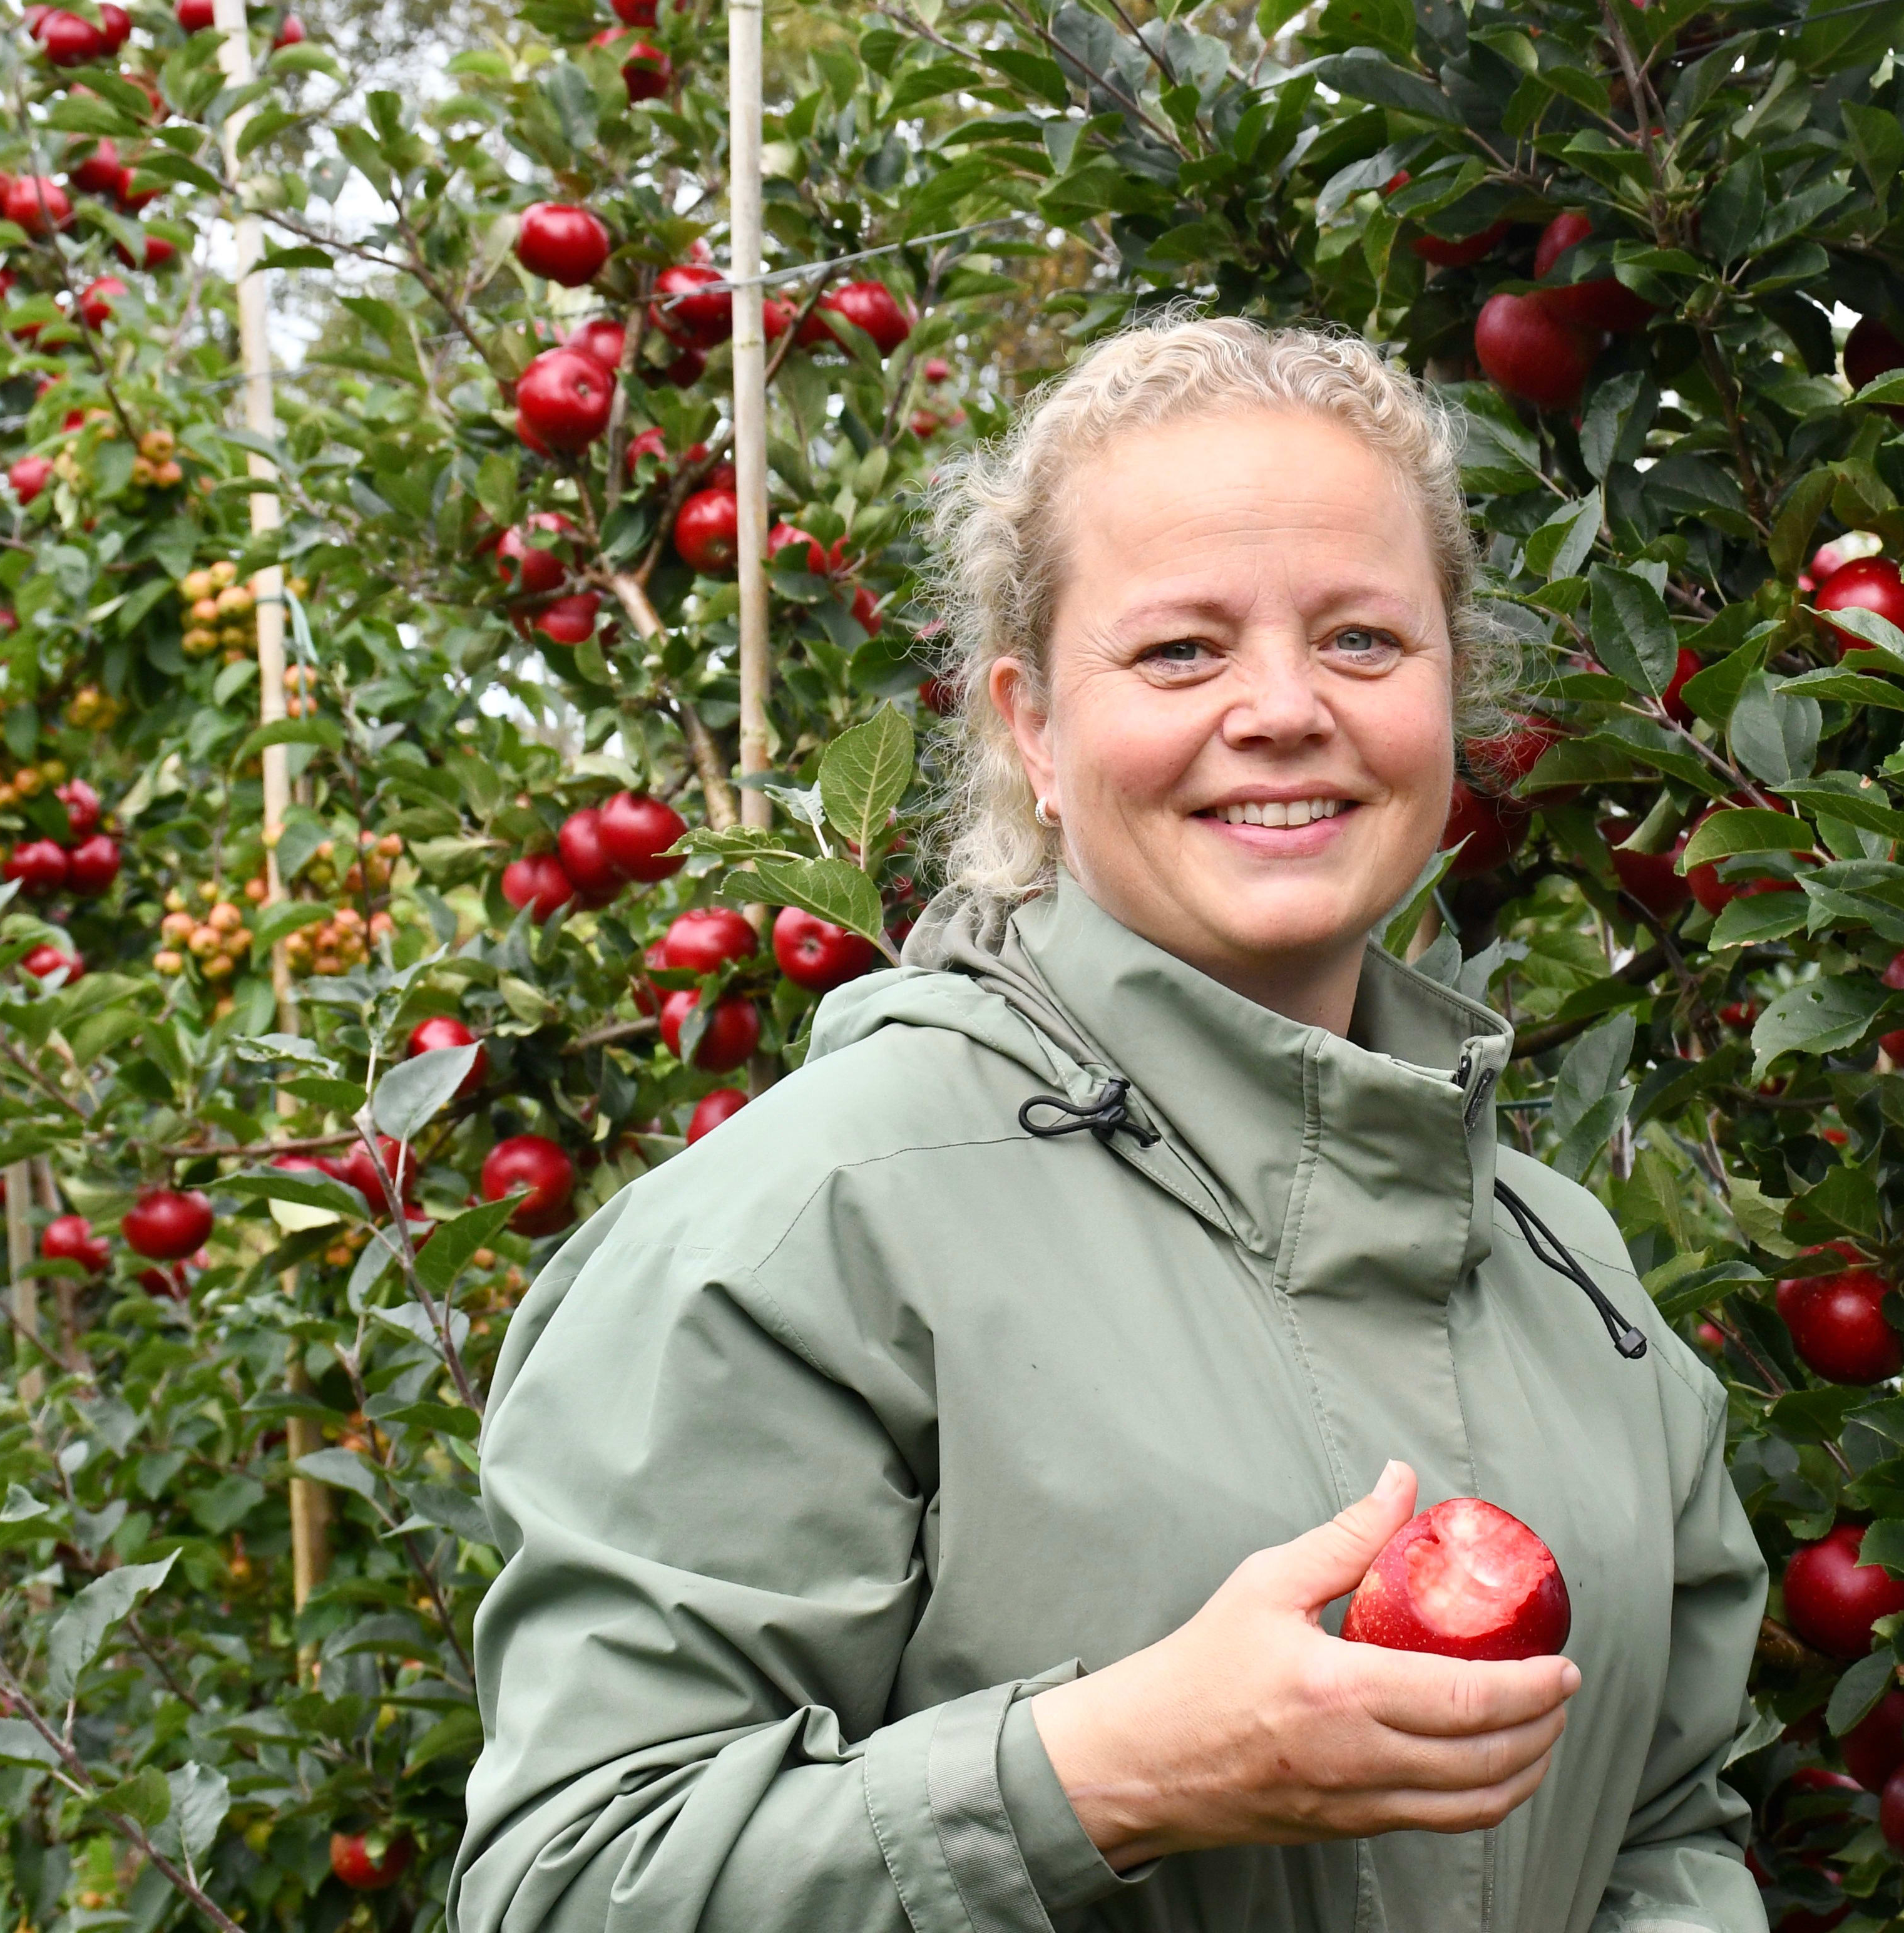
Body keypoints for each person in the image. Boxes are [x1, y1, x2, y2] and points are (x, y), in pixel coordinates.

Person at [455, 317, 1768, 1932]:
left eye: (1363, 641)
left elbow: (1666, 1830)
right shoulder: (815, 1230)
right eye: (1180, 653)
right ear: (1031, 726)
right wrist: (1103, 1778)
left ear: (1450, 694)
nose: (1282, 707)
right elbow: (572, 1885)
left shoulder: (1566, 1271)